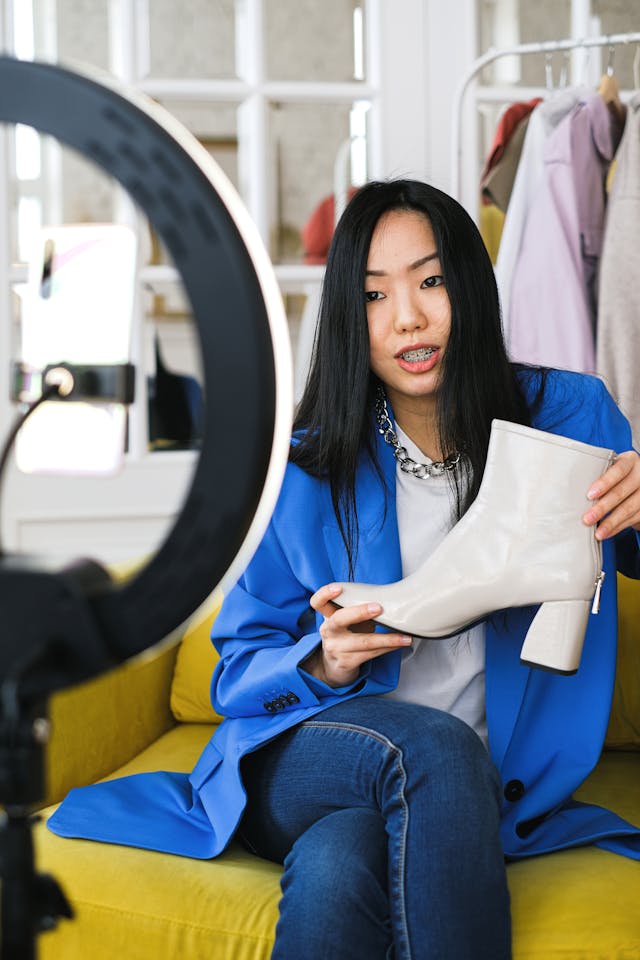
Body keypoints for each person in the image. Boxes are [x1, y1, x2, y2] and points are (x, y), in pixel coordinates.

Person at [49, 179, 640, 959]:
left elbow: (622, 551)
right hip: (306, 755)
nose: (409, 318)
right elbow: (236, 670)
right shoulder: (304, 467)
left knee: (340, 859)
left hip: (470, 787)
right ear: (346, 318)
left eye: (431, 281)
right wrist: (321, 661)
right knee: (429, 748)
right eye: (373, 296)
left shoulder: (568, 416)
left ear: (468, 284)